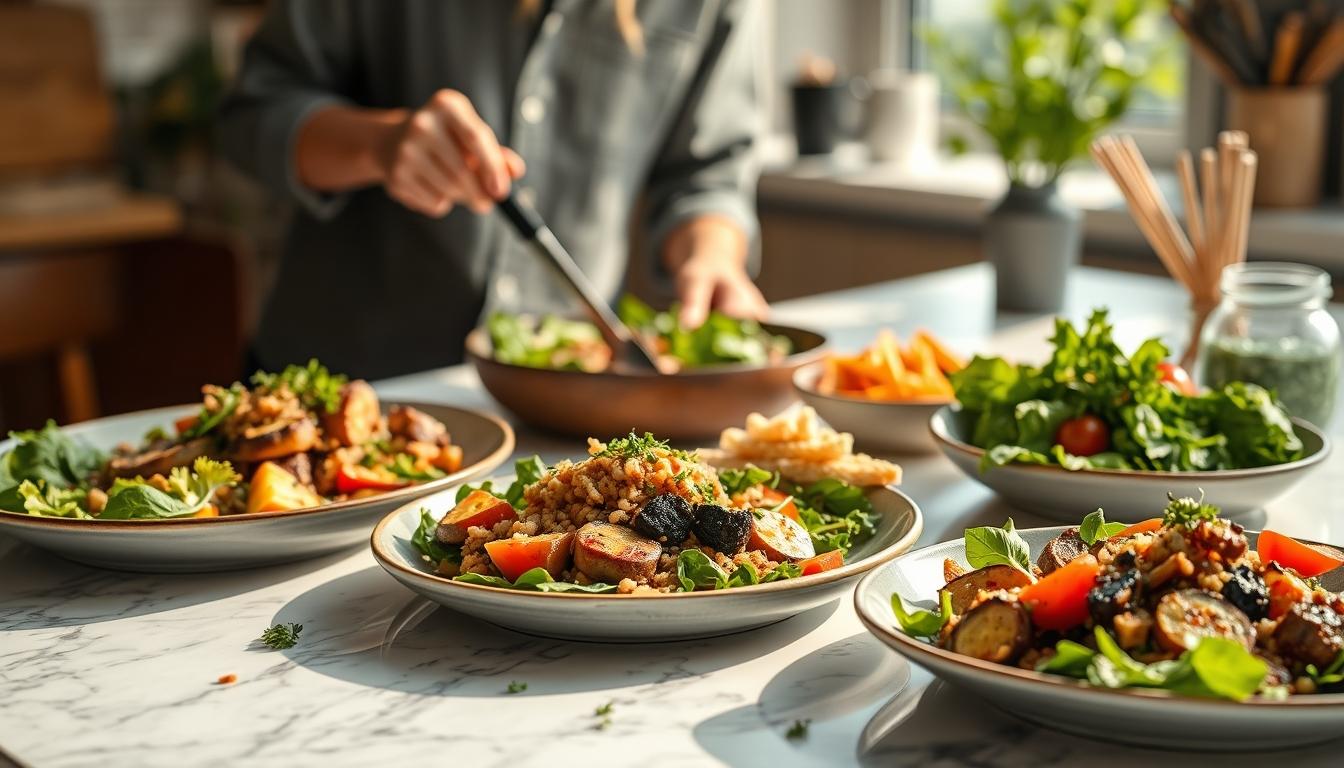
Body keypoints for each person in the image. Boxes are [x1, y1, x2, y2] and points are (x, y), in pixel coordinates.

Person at [219, 0, 767, 379]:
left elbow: (708, 172)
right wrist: (380, 145)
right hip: (349, 376)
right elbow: (252, 117)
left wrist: (711, 256)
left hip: (563, 401)